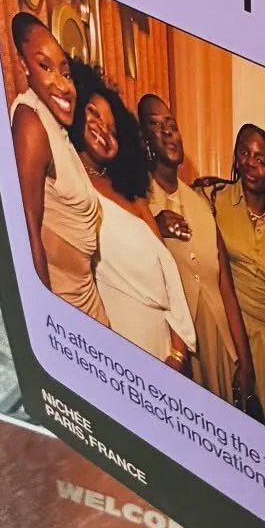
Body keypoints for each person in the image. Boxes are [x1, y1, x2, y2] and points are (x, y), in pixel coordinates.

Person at [67, 64, 195, 369]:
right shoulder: (71, 187)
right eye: (93, 113)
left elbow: (166, 268)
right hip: (119, 342)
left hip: (166, 346)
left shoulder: (130, 191)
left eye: (113, 127)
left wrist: (177, 351)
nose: (103, 129)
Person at [137, 92, 255, 405]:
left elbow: (226, 288)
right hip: (176, 350)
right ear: (143, 137)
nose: (167, 132)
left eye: (171, 124)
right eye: (155, 125)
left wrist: (245, 363)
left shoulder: (201, 205)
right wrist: (153, 226)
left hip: (219, 347)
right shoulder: (139, 202)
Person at [8, 14, 107, 324]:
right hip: (67, 310)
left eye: (66, 72)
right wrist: (49, 322)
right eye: (45, 67)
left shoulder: (57, 130)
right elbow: (28, 230)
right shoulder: (30, 122)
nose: (63, 85)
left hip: (90, 302)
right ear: (24, 66)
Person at [206, 125, 265, 437]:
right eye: (244, 152)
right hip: (228, 332)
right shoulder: (214, 199)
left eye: (261, 159)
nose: (250, 162)